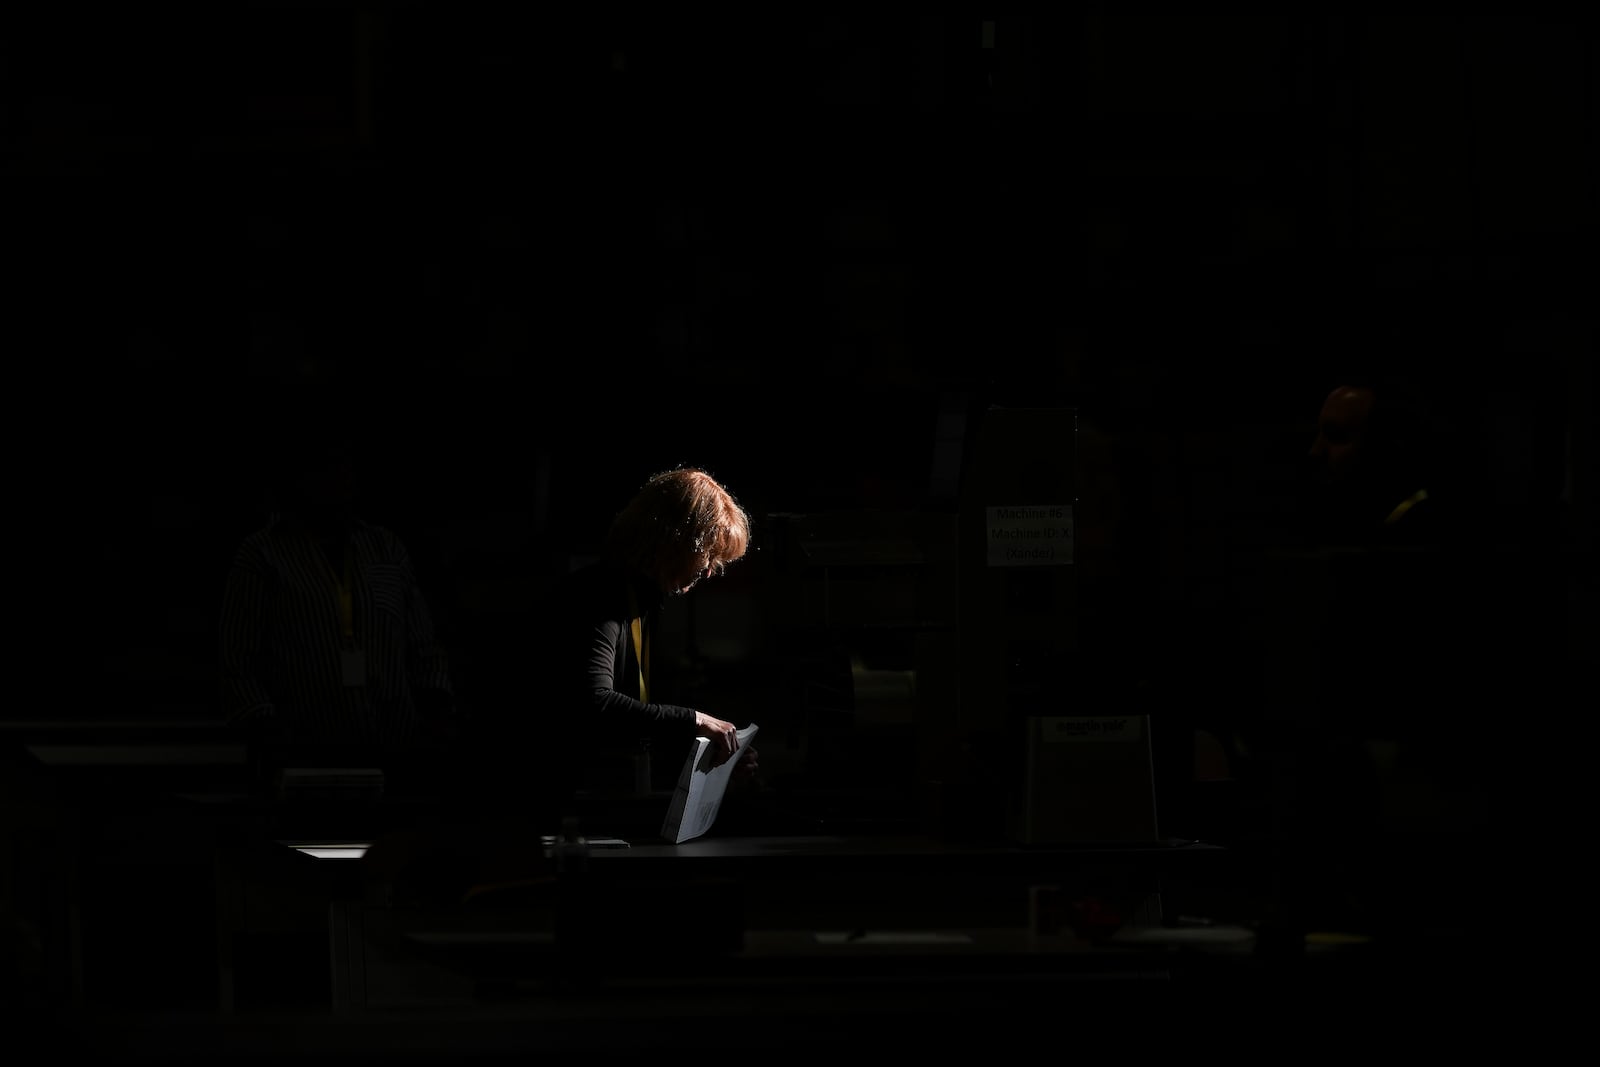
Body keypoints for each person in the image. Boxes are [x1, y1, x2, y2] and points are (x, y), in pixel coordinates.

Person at [470, 466, 758, 829]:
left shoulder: (637, 602)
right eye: (709, 556)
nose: (711, 571)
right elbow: (596, 704)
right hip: (528, 813)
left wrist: (716, 759)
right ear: (676, 542)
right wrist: (696, 722)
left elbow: (634, 725)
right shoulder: (599, 596)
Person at [217, 408, 460, 778]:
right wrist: (268, 733)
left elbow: (423, 646)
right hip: (305, 759)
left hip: (397, 752)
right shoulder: (262, 554)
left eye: (346, 466)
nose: (340, 477)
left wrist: (437, 711)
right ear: (297, 476)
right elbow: (237, 663)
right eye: (325, 467)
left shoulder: (384, 547)